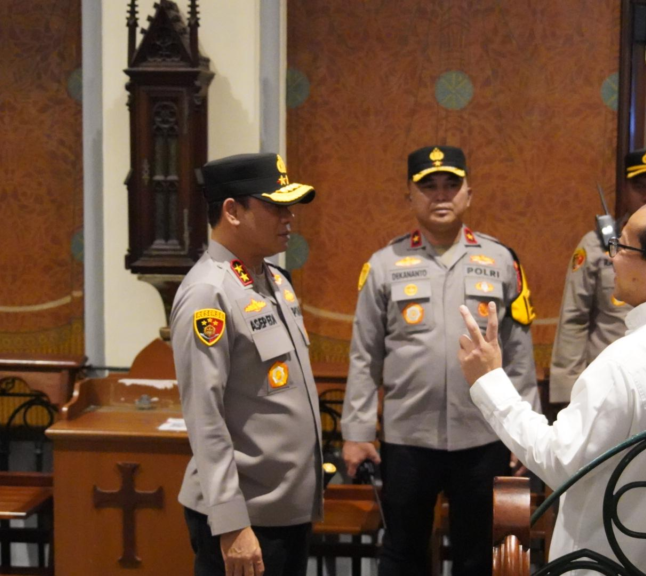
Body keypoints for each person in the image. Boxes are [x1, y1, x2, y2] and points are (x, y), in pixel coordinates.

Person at [459, 195, 646, 574]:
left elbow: (560, 463)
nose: (611, 257)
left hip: (619, 565)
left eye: (622, 247)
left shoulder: (629, 361)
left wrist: (489, 381)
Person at [340, 145, 540, 576]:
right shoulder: (385, 264)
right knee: (403, 552)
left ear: (469, 193)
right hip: (408, 437)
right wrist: (356, 432)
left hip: (483, 434)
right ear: (410, 196)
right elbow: (364, 355)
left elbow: (519, 353)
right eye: (428, 186)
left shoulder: (501, 260)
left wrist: (525, 432)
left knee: (479, 555)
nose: (441, 194)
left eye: (451, 184)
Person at [171, 153, 322, 576]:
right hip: (246, 518)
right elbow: (205, 417)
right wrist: (231, 522)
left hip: (283, 510)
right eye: (275, 206)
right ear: (232, 211)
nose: (289, 217)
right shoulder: (209, 293)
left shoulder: (274, 280)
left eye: (290, 207)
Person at [548, 148, 646, 404]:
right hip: (609, 387)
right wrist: (568, 395)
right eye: (639, 186)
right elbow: (574, 320)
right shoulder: (596, 245)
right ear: (625, 190)